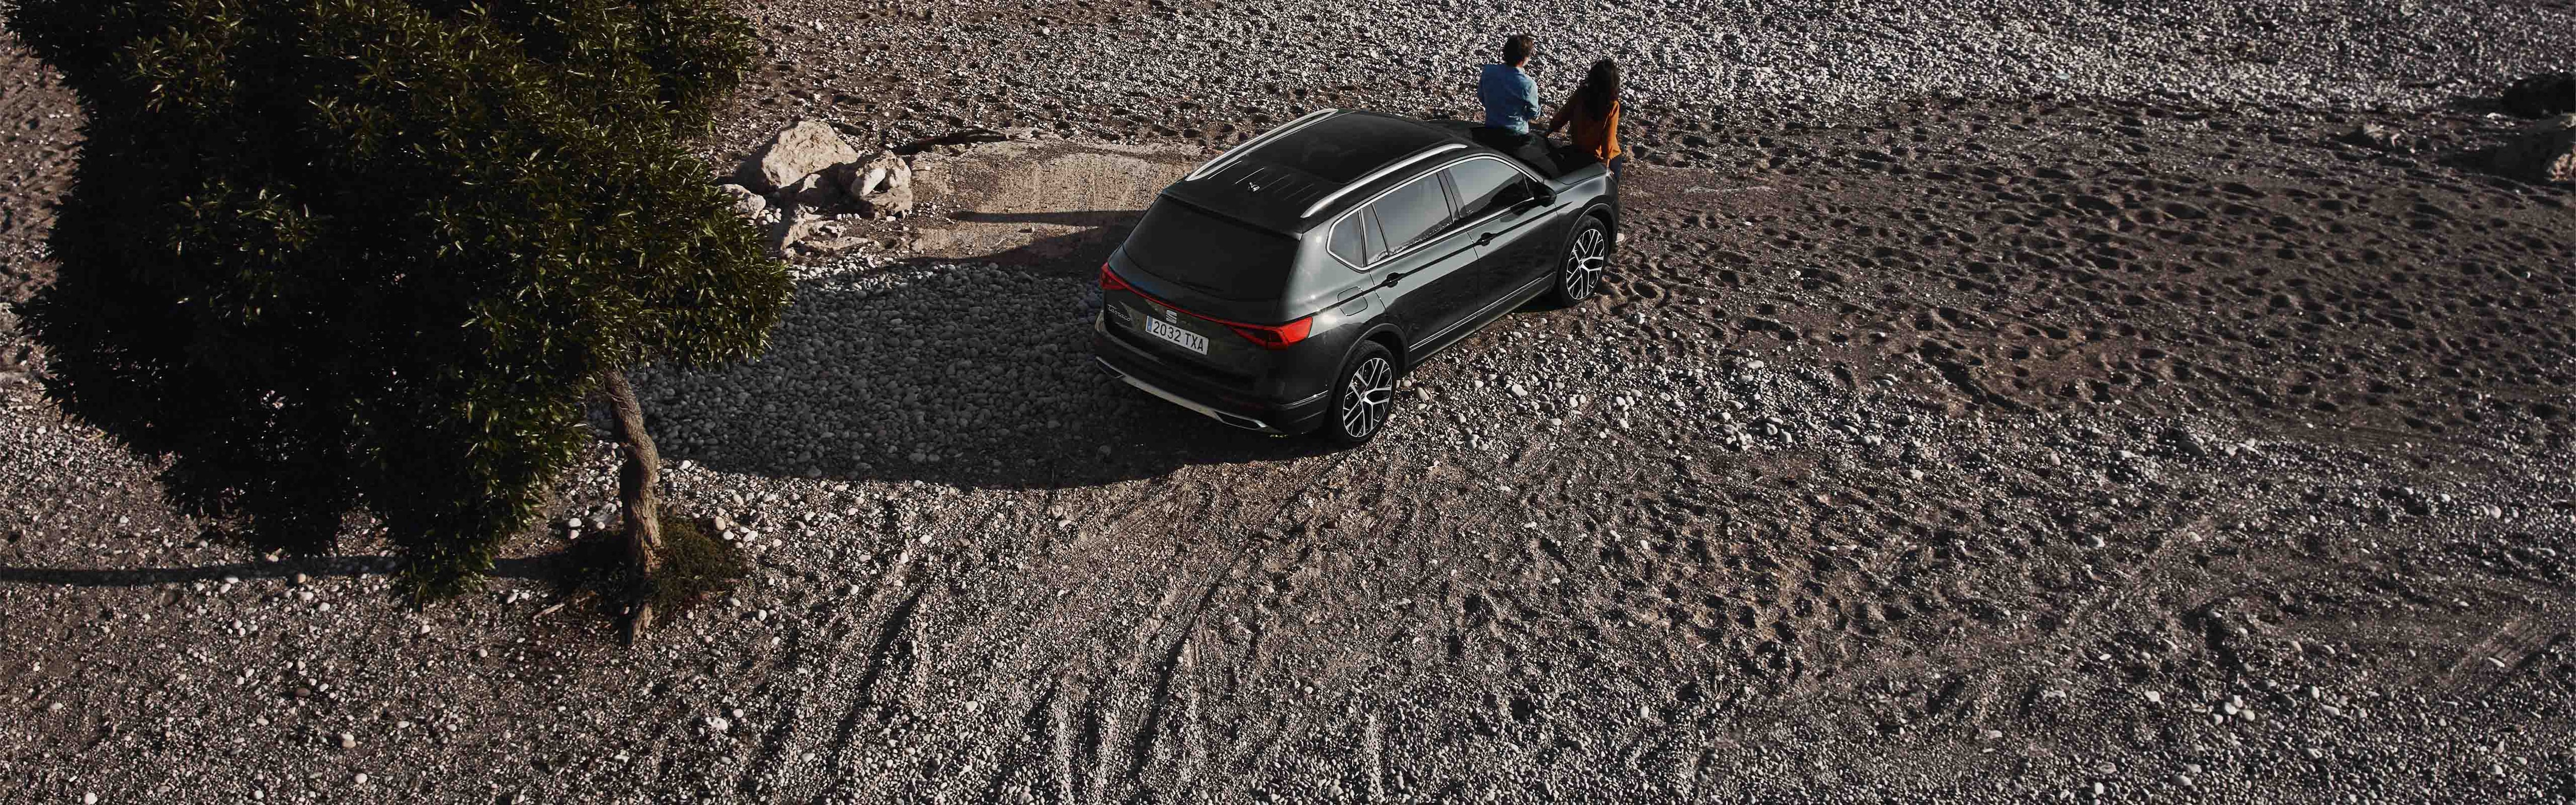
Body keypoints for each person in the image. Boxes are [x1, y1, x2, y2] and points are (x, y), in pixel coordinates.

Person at [1545, 58, 1624, 180]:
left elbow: (1563, 115)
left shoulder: (1582, 94)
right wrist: (1606, 163)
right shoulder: (1612, 105)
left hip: (1580, 150)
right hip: (1603, 156)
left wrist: (1548, 132)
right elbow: (1609, 136)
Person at [1478, 35, 1540, 134]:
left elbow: (1481, 97)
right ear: (1524, 59)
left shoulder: (1488, 71)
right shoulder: (1528, 84)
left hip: (1490, 129)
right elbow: (1534, 113)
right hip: (1516, 134)